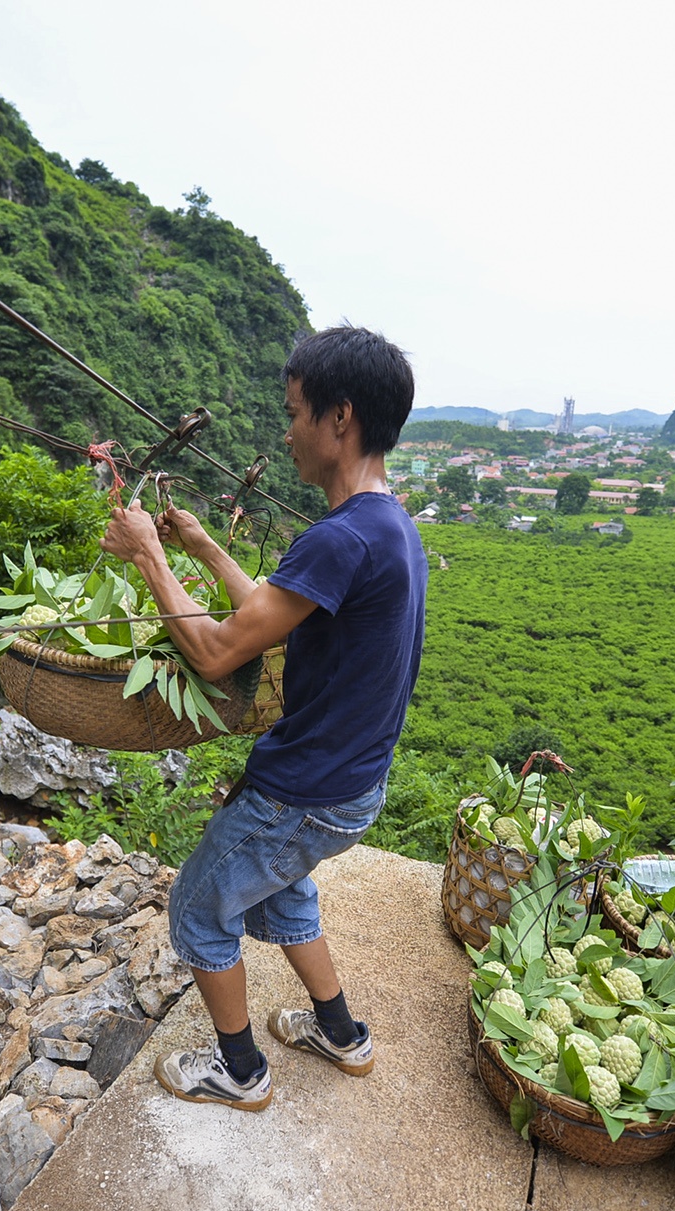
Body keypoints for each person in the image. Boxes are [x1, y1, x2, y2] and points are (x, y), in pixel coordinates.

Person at [97, 326, 426, 1110]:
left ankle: (240, 1072)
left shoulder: (341, 538)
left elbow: (214, 653)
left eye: (294, 413)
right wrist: (205, 549)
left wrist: (146, 556)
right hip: (351, 788)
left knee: (198, 911)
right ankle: (343, 1034)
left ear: (338, 419)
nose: (286, 434)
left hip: (301, 789)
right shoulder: (390, 527)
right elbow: (270, 615)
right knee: (282, 895)